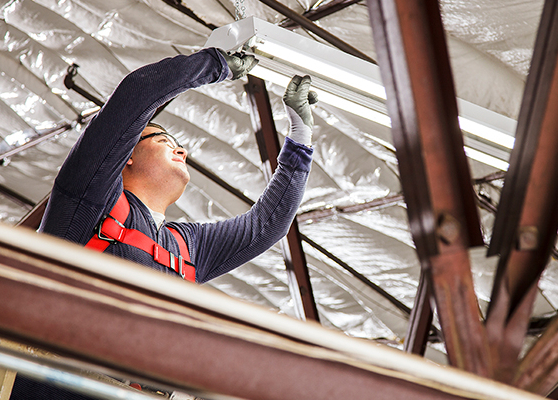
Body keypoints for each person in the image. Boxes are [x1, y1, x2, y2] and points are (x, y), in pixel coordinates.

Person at [39, 46, 317, 286]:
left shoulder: (187, 247)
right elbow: (136, 95)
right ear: (126, 156)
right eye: (163, 140)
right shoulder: (88, 199)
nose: (182, 150)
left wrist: (300, 137)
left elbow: (266, 226)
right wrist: (215, 65)